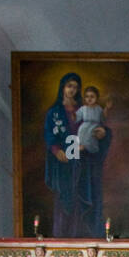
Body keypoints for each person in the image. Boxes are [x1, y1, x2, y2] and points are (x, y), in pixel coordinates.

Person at [43, 72, 111, 237]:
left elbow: (99, 127)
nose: (72, 90)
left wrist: (102, 132)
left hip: (84, 159)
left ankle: (84, 236)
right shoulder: (55, 112)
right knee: (66, 198)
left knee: (85, 197)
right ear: (63, 87)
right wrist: (56, 150)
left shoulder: (85, 109)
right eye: (69, 86)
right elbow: (49, 134)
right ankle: (63, 236)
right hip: (65, 161)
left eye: (75, 87)